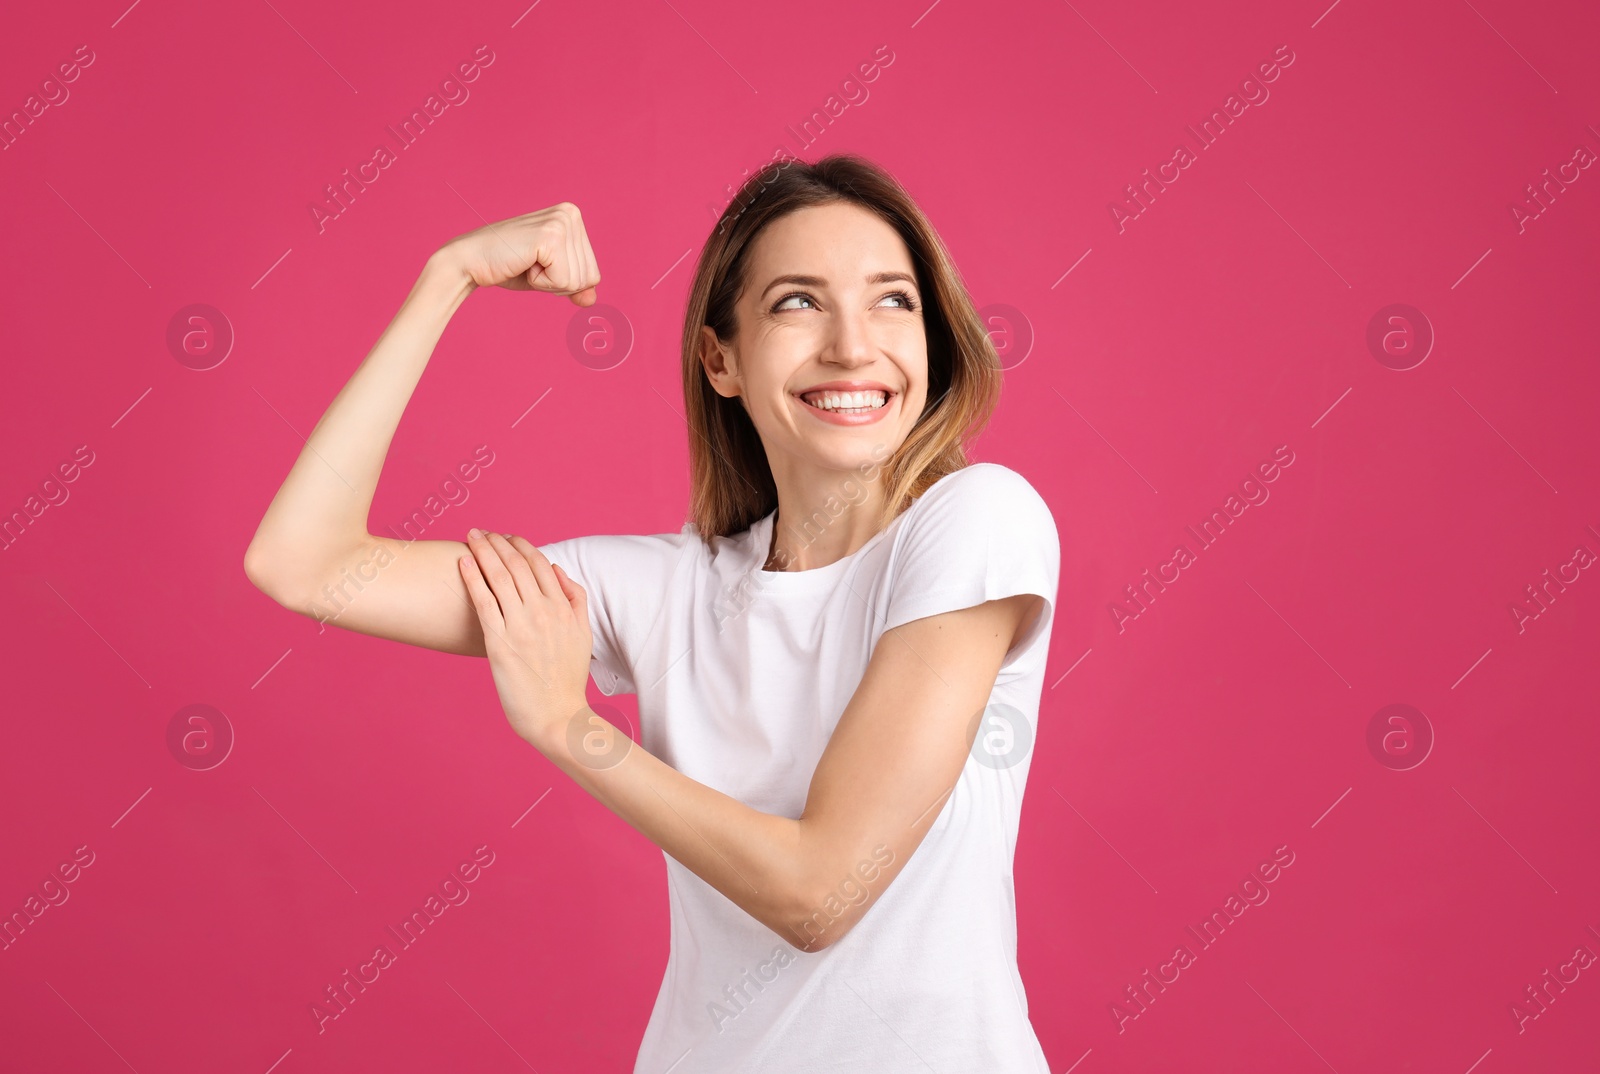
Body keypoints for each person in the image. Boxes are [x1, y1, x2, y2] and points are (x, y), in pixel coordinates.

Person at [244, 153, 1061, 1072]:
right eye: (798, 302)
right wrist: (448, 279)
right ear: (722, 360)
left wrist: (569, 729)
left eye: (892, 300)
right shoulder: (667, 591)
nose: (851, 345)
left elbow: (821, 894)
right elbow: (304, 563)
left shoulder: (979, 520)